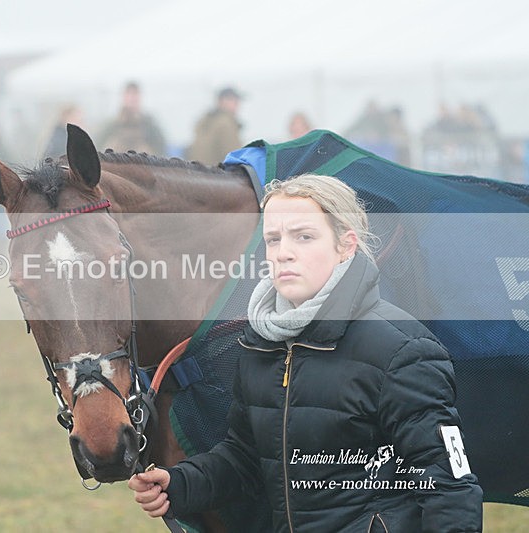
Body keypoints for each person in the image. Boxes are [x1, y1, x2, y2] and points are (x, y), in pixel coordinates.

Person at [130, 174, 483, 532]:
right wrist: (180, 484)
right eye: (273, 239)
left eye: (304, 237)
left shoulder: (403, 350)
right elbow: (245, 459)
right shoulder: (260, 343)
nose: (283, 252)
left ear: (346, 245)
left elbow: (449, 487)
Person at [97, 81, 167, 156]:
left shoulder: (150, 126)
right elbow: (98, 147)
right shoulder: (111, 126)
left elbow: (160, 150)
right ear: (123, 97)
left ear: (139, 97)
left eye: (134, 95)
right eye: (129, 94)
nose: (132, 99)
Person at [187, 86, 243, 164]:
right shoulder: (225, 123)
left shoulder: (207, 120)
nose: (237, 104)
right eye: (233, 100)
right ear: (222, 101)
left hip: (198, 169)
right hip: (215, 170)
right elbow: (235, 156)